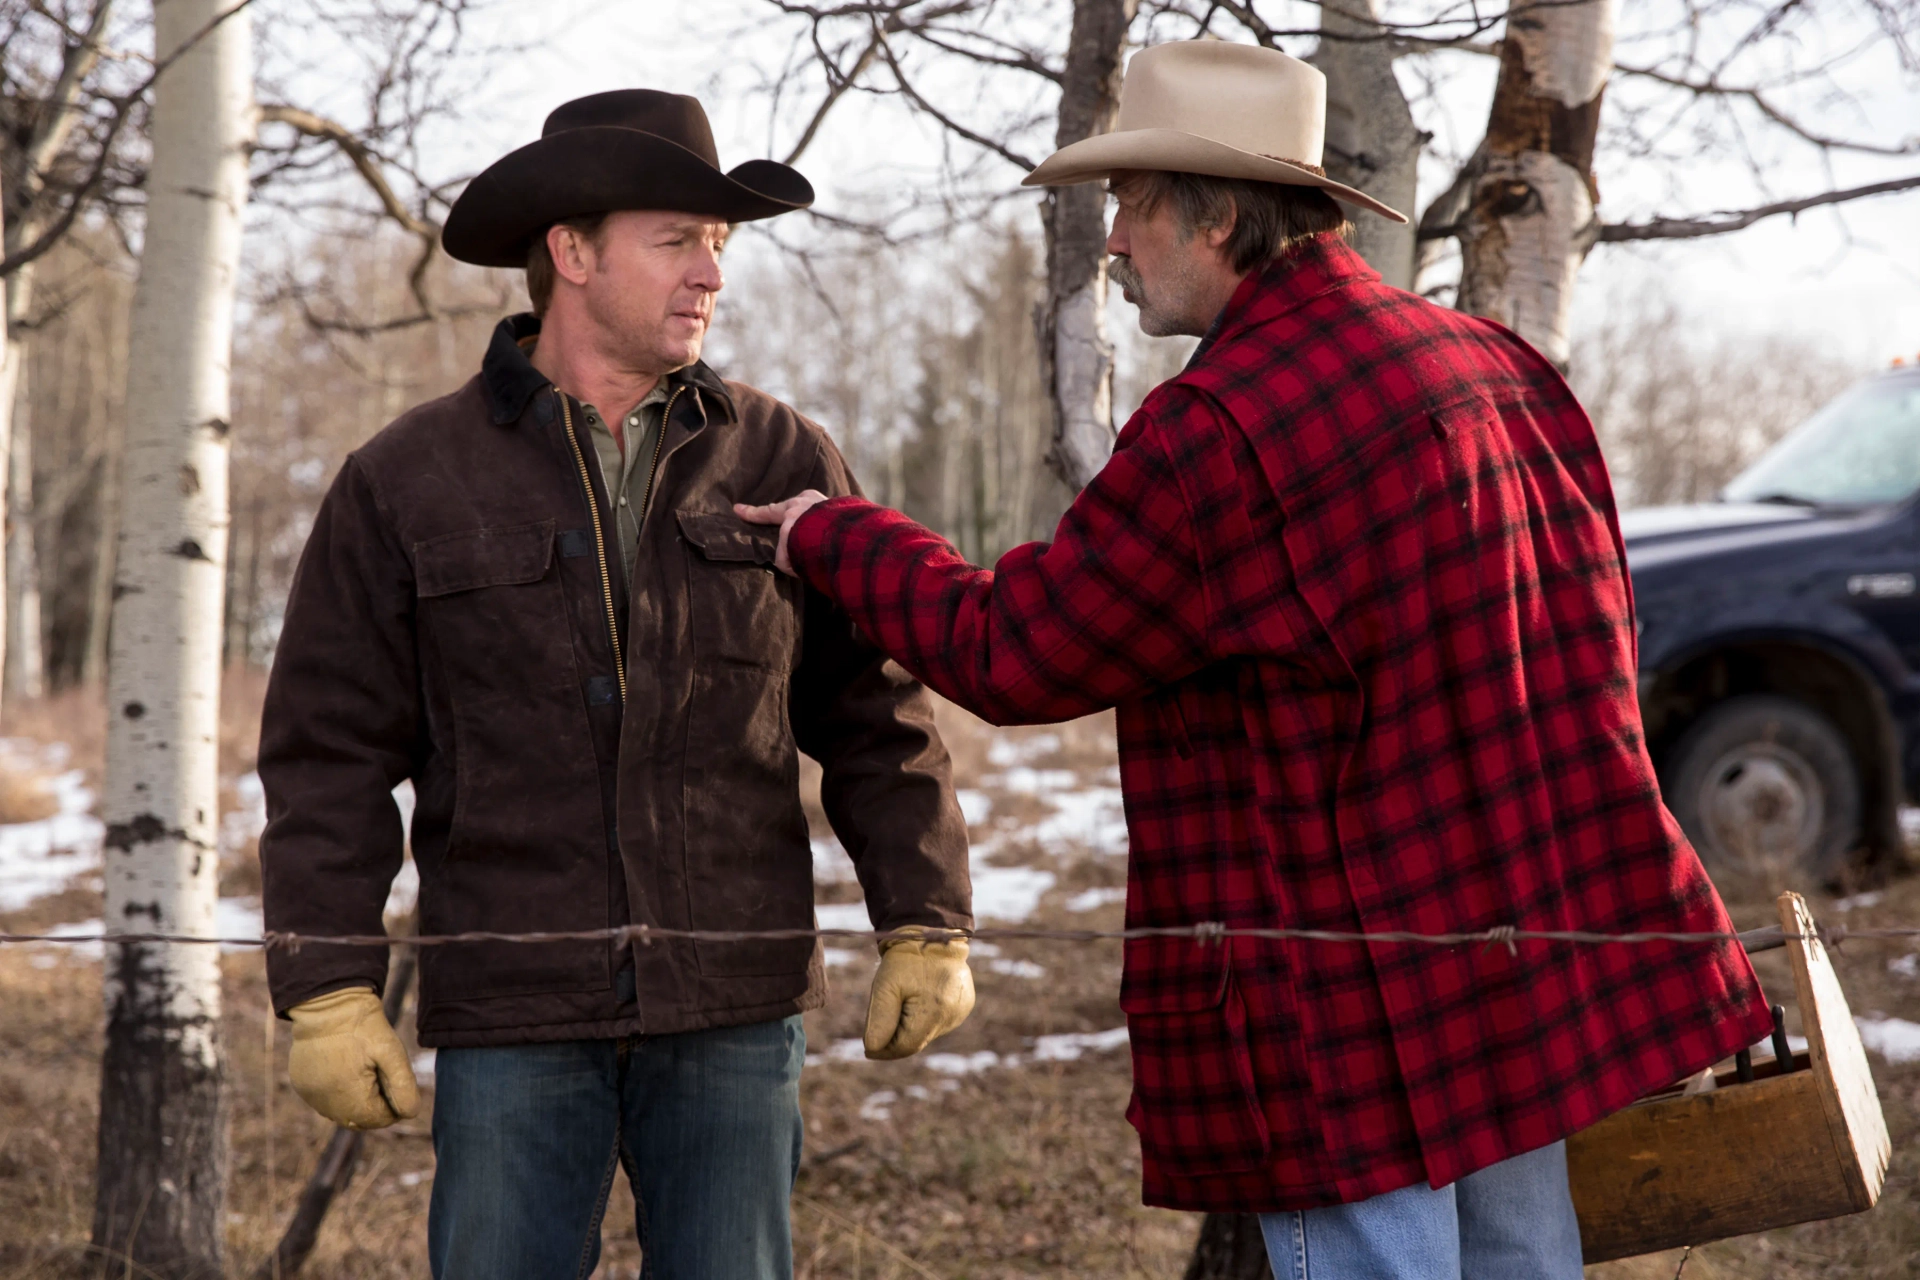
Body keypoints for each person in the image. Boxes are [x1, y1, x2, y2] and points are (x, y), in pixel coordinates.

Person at [739, 41, 1772, 1280]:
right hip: (1508, 965)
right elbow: (1594, 653)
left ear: (1220, 217)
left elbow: (1015, 652)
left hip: (1342, 1012)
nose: (1112, 240)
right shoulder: (1497, 367)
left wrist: (829, 531)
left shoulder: (1218, 429)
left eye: (1132, 206)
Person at [257, 89, 976, 1280]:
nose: (712, 274)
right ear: (573, 252)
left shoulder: (782, 456)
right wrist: (327, 984)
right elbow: (327, 751)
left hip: (734, 997)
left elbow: (874, 712)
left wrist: (926, 913)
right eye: (678, 239)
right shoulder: (406, 478)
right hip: (514, 1005)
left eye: (722, 245)